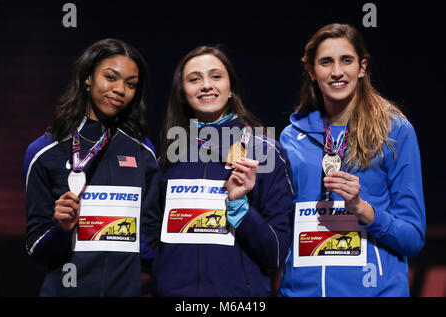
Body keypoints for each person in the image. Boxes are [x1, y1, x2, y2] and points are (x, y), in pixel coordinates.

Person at [278, 23, 426, 297]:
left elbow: (413, 238)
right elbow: (280, 227)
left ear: (362, 68)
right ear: (311, 71)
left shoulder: (395, 131)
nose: (336, 71)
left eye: (346, 60)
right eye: (326, 62)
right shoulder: (290, 137)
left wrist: (363, 210)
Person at [144, 46, 294, 296]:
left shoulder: (264, 151)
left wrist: (240, 208)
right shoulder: (169, 156)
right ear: (182, 93)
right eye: (194, 79)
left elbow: (276, 253)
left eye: (215, 76)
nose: (206, 85)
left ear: (230, 87)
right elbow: (153, 241)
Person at [24, 39, 160, 296]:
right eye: (110, 77)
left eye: (130, 84)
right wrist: (61, 230)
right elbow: (35, 248)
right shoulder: (44, 152)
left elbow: (149, 240)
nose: (120, 89)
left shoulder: (144, 152)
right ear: (88, 77)